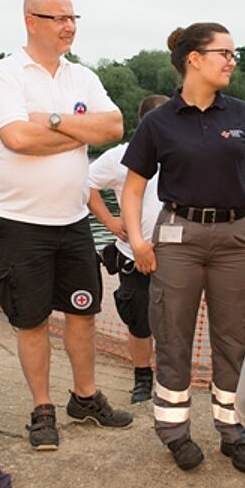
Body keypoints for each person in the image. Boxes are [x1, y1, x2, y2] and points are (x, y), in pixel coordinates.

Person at [0, 0, 132, 451]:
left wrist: (48, 120)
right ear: (31, 20)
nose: (69, 26)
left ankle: (84, 398)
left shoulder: (82, 76)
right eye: (59, 17)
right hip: (17, 219)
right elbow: (16, 140)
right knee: (30, 319)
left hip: (72, 219)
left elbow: (113, 128)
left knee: (83, 311)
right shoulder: (4, 74)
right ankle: (42, 408)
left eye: (73, 17)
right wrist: (75, 128)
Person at [121, 23, 245, 474]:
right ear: (194, 59)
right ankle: (174, 432)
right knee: (174, 335)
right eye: (224, 52)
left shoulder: (241, 115)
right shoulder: (158, 122)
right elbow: (132, 188)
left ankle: (233, 431)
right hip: (178, 235)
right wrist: (138, 240)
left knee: (233, 337)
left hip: (235, 237)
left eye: (233, 53)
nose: (231, 60)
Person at [88, 94, 169, 403]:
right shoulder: (121, 156)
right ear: (145, 123)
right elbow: (87, 184)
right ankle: (142, 378)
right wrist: (109, 220)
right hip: (133, 253)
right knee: (139, 319)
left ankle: (171, 378)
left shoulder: (184, 153)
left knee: (175, 318)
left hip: (178, 253)